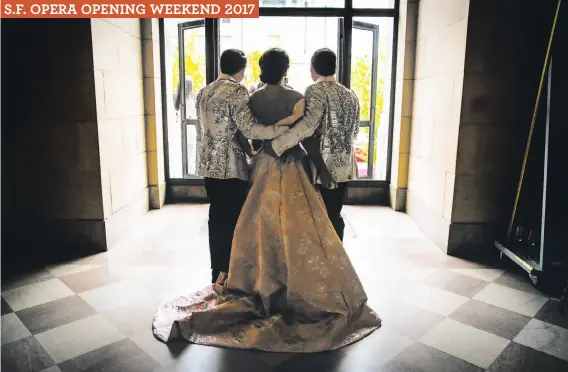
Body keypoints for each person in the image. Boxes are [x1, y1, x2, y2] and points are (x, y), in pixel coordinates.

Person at [152, 48, 381, 353]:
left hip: (258, 164)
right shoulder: (303, 96)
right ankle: (311, 276)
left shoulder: (249, 97)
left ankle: (242, 276)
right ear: (286, 69)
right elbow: (309, 133)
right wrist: (284, 140)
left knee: (253, 223)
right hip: (297, 164)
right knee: (306, 225)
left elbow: (243, 130)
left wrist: (259, 150)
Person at [194, 49, 288, 284]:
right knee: (235, 221)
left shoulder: (204, 91)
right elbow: (249, 129)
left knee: (216, 219)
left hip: (208, 166)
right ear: (242, 70)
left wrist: (249, 149)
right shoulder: (237, 92)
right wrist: (280, 131)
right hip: (230, 167)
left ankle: (217, 273)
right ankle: (232, 273)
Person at [269, 48, 360, 242]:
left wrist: (278, 145)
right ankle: (338, 258)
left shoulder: (315, 90)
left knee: (321, 216)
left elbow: (307, 127)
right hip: (345, 163)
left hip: (323, 164)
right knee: (335, 212)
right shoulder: (350, 94)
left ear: (313, 68)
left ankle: (328, 259)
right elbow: (354, 131)